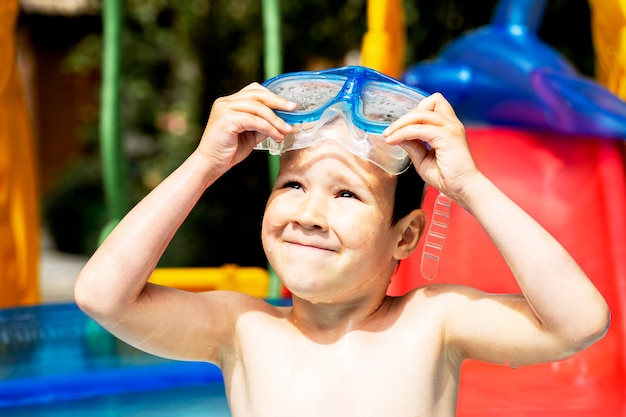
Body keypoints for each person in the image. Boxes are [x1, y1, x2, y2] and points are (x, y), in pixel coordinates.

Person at [74, 66, 610, 417]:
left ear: (406, 237)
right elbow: (104, 296)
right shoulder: (242, 328)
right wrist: (203, 164)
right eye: (293, 184)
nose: (309, 213)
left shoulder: (432, 323)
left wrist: (469, 186)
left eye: (347, 196)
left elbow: (578, 323)